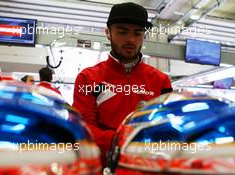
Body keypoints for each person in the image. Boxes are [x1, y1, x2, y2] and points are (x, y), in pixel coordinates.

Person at [72, 2, 173, 165]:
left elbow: (167, 127)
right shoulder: (88, 78)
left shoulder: (161, 81)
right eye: (122, 32)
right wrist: (125, 141)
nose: (131, 40)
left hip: (147, 167)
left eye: (137, 33)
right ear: (108, 33)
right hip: (104, 166)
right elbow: (84, 129)